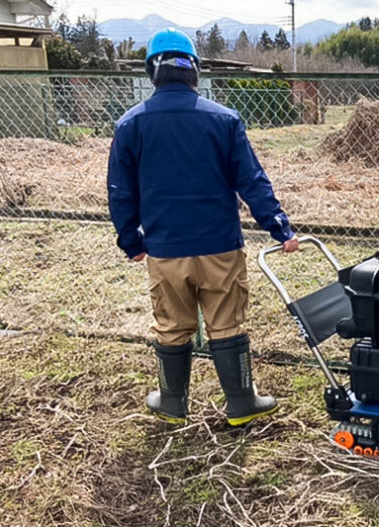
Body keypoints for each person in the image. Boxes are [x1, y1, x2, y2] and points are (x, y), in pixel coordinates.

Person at [107, 28, 298, 426]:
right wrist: (280, 227)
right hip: (220, 247)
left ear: (152, 72)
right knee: (226, 322)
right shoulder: (224, 120)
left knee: (173, 325)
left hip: (164, 250)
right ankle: (242, 403)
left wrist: (131, 240)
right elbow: (252, 180)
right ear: (193, 69)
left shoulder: (131, 125)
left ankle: (172, 402)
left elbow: (121, 192)